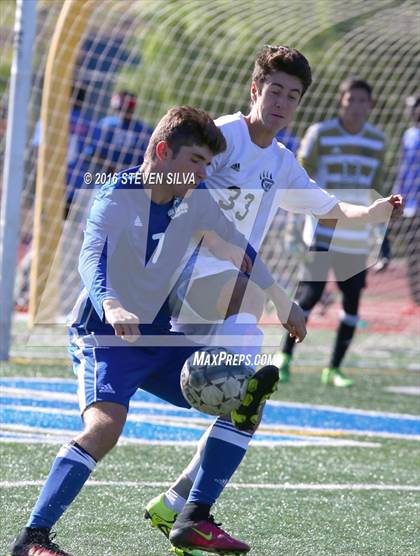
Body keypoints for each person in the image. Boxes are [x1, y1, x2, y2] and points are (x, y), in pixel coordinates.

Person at [9, 105, 306, 556]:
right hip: (105, 335)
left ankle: (192, 518)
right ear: (163, 151)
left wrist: (283, 300)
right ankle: (31, 539)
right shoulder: (116, 194)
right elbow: (91, 256)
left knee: (246, 400)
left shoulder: (195, 199)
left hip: (159, 334)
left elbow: (238, 248)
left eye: (208, 164)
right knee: (106, 427)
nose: (203, 173)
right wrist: (111, 304)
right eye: (195, 161)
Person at [144, 46, 403, 555]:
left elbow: (328, 208)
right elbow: (169, 176)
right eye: (275, 90)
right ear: (255, 89)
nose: (283, 101)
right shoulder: (222, 137)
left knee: (247, 403)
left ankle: (182, 507)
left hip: (228, 283)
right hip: (188, 274)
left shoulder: (282, 161)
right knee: (247, 363)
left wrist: (371, 215)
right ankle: (190, 511)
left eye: (294, 95)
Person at [278, 77, 389, 387]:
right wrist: (293, 223)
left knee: (352, 302)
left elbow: (376, 188)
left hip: (357, 234)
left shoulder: (378, 141)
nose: (356, 106)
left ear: (371, 105)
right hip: (323, 228)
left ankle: (334, 369)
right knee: (309, 295)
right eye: (350, 100)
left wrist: (383, 235)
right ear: (341, 101)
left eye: (362, 101)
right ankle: (284, 357)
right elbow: (299, 177)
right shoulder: (321, 134)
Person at [393, 95, 420, 314]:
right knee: (413, 254)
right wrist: (398, 193)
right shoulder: (408, 135)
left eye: (416, 107)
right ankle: (416, 299)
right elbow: (404, 168)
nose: (412, 111)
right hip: (411, 205)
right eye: (410, 107)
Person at [86, 90, 153, 176]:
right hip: (111, 179)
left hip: (129, 180)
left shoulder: (144, 130)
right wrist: (108, 166)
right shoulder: (106, 124)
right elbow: (92, 152)